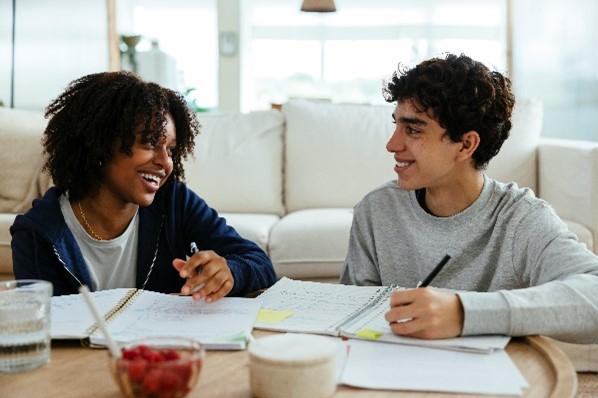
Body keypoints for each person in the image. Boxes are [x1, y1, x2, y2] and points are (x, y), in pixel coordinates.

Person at [340, 54, 598, 343]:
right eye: (396, 125)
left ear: (466, 144)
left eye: (412, 129)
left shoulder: (522, 218)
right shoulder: (376, 211)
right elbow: (352, 322)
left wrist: (464, 313)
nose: (392, 144)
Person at [11, 71, 277, 300]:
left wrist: (230, 271)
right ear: (100, 145)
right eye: (150, 143)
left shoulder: (174, 202)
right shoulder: (38, 233)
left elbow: (260, 264)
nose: (165, 162)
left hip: (163, 353)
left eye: (171, 149)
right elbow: (50, 328)